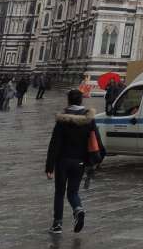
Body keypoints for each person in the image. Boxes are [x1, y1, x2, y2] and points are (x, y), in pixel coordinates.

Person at [45, 89, 105, 234]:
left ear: (68, 101)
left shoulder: (62, 120)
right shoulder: (89, 120)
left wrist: (49, 166)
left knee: (60, 192)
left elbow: (55, 144)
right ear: (81, 101)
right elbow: (96, 140)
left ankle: (57, 224)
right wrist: (97, 158)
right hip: (79, 161)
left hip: (62, 161)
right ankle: (78, 210)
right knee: (73, 192)